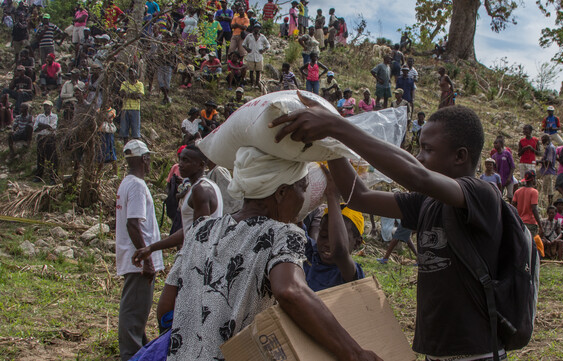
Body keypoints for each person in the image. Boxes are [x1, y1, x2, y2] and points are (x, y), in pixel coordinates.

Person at [270, 98, 519, 359]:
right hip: (438, 353)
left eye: (427, 150)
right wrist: (331, 148)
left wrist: (337, 127)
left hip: (477, 353)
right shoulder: (427, 203)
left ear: (459, 156)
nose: (419, 158)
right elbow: (360, 197)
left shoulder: (482, 195)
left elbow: (416, 175)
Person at [153, 154, 381, 361]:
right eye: (302, 188)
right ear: (282, 193)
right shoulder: (282, 234)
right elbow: (290, 292)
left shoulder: (201, 228)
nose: (304, 200)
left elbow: (165, 308)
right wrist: (354, 353)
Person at [132, 145, 224, 269]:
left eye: (186, 160)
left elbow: (200, 235)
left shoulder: (200, 190)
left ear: (201, 165)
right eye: (180, 159)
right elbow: (189, 229)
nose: (180, 164)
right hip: (198, 259)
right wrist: (151, 248)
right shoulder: (203, 186)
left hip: (198, 261)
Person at [116, 140, 165, 361]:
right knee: (134, 311)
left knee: (139, 309)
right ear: (144, 159)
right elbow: (133, 224)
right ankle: (131, 355)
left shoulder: (127, 183)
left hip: (134, 257)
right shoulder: (136, 185)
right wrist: (146, 259)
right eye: (149, 158)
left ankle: (141, 349)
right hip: (138, 261)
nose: (149, 162)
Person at [32, 100, 58, 183]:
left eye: (48, 106)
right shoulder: (40, 116)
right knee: (40, 157)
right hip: (41, 137)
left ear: (51, 107)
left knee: (52, 158)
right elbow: (35, 128)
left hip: (50, 138)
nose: (46, 107)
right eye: (45, 106)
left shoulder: (54, 116)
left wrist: (42, 125)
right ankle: (38, 176)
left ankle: (53, 177)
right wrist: (45, 126)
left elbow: (52, 128)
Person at [513, 170, 543, 236]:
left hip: (520, 222)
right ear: (533, 179)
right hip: (530, 223)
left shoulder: (517, 191)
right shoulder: (534, 192)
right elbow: (534, 209)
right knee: (530, 244)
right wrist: (540, 226)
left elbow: (513, 206)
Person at [119, 68, 144, 142]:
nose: (131, 75)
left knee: (136, 131)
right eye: (130, 73)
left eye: (133, 73)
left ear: (136, 74)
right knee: (124, 130)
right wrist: (133, 94)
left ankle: (136, 147)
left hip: (135, 109)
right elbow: (122, 94)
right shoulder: (124, 83)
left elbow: (139, 96)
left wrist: (128, 94)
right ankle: (126, 147)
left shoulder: (140, 84)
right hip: (125, 108)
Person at [242, 23, 270, 89]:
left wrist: (263, 50)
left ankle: (257, 83)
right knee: (251, 71)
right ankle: (252, 83)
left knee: (258, 71)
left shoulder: (262, 37)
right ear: (253, 28)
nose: (256, 29)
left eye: (258, 28)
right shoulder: (249, 36)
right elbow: (243, 44)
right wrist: (247, 49)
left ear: (260, 29)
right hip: (251, 55)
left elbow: (268, 45)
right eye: (255, 28)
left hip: (259, 56)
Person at [491, 136, 516, 201]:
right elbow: (493, 168)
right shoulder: (494, 156)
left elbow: (512, 166)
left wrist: (509, 177)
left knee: (510, 195)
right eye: (494, 143)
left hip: (508, 179)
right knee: (499, 195)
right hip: (500, 180)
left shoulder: (507, 153)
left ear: (501, 144)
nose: (495, 145)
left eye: (496, 143)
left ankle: (512, 209)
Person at [539, 134, 557, 205]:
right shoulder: (548, 147)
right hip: (546, 170)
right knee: (547, 188)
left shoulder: (550, 148)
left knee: (549, 189)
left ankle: (550, 204)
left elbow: (549, 161)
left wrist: (540, 161)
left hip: (548, 170)